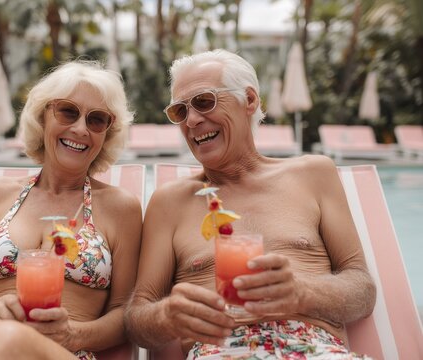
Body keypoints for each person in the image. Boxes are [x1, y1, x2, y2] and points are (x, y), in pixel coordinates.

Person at [124, 49, 376, 359]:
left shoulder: (313, 174)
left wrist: (301, 293)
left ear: (250, 100)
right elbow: (137, 319)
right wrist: (166, 315)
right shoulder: (169, 202)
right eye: (179, 111)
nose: (191, 120)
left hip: (316, 348)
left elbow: (363, 289)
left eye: (204, 101)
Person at [0, 60, 142, 359]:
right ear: (43, 117)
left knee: (8, 337)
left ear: (108, 132)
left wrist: (73, 334)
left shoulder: (121, 209)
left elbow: (125, 314)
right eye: (68, 111)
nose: (80, 128)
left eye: (96, 120)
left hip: (62, 352)